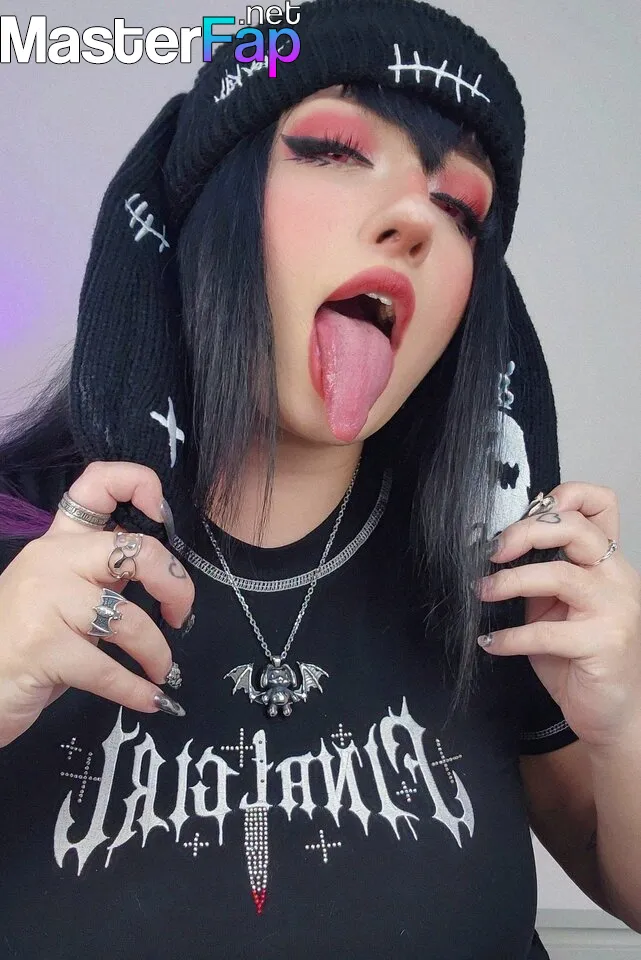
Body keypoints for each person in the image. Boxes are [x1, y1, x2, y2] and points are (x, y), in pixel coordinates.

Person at [0, 0, 620, 957]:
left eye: (460, 209)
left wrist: (626, 721)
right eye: (333, 150)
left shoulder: (496, 578)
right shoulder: (21, 541)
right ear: (206, 212)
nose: (414, 218)